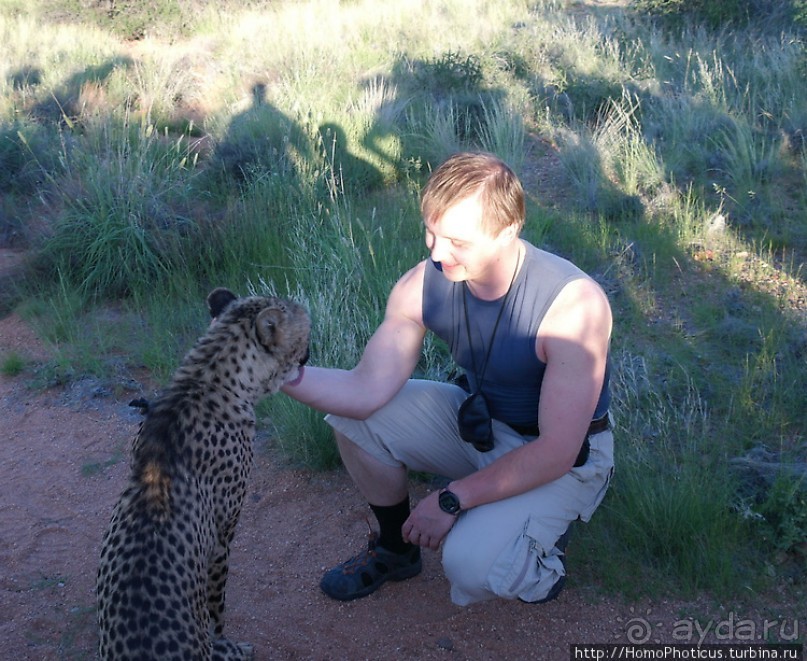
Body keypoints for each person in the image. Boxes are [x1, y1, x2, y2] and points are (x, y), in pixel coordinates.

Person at [282, 151, 614, 606]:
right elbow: (363, 392)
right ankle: (395, 551)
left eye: (458, 240)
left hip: (563, 456)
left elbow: (556, 451)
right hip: (480, 426)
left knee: (468, 565)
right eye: (431, 232)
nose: (438, 252)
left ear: (508, 230)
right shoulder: (423, 283)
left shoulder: (573, 306)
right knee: (355, 421)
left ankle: (541, 557)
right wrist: (277, 372)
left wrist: (451, 500)